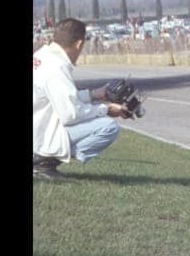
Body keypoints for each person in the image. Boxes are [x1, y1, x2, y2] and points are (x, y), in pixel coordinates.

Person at [33, 18, 132, 180]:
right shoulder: (56, 67)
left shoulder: (42, 55)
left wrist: (94, 94)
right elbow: (70, 114)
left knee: (98, 118)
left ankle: (42, 160)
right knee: (108, 127)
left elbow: (60, 98)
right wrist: (106, 109)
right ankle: (43, 163)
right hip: (42, 134)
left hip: (39, 124)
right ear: (79, 44)